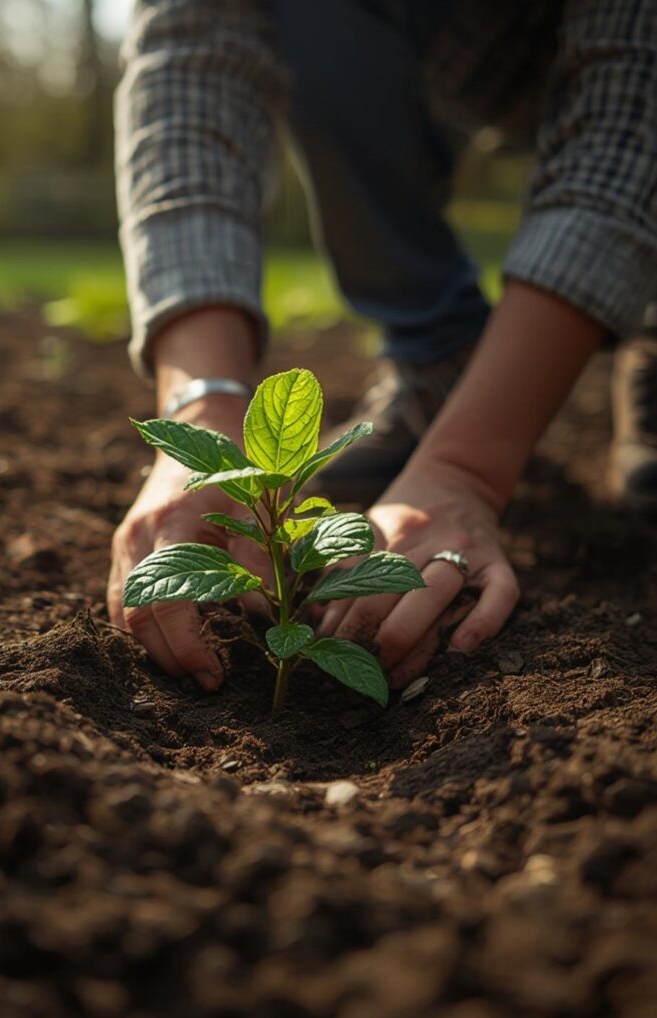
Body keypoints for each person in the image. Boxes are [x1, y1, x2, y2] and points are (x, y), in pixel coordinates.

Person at [107, 0, 657, 691]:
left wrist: (465, 471)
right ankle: (441, 355)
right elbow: (187, 76)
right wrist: (202, 415)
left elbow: (626, 132)